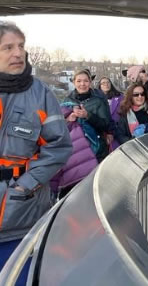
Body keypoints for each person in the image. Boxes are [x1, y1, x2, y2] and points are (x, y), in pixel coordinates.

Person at [0, 20, 72, 285]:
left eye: (20, 46)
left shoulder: (40, 94)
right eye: (8, 47)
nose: (18, 53)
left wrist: (24, 186)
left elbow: (59, 147)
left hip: (16, 222)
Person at [52, 69, 111, 199]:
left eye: (85, 81)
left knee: (93, 191)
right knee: (73, 192)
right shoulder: (67, 101)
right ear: (74, 82)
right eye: (79, 81)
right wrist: (68, 120)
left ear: (90, 82)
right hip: (74, 152)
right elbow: (59, 126)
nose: (82, 84)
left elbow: (105, 124)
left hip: (95, 150)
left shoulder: (98, 101)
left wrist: (87, 116)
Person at [97, 76, 123, 151]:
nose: (106, 84)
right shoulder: (96, 100)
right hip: (103, 132)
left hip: (118, 130)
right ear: (99, 86)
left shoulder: (120, 97)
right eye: (103, 83)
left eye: (108, 82)